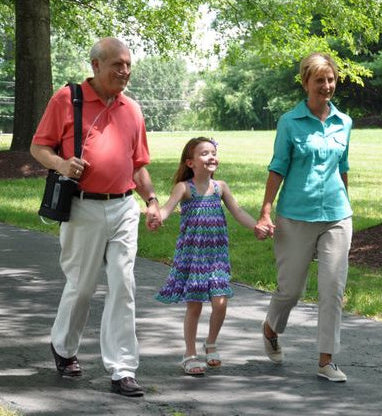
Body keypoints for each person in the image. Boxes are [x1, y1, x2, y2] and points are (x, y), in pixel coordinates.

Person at [30, 37, 162, 397]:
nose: (125, 71)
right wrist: (61, 163)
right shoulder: (67, 99)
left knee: (124, 284)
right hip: (82, 206)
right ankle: (64, 346)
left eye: (128, 64)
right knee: (82, 286)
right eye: (117, 64)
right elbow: (38, 146)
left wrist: (150, 200)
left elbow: (138, 166)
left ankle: (122, 369)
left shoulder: (132, 109)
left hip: (123, 207)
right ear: (96, 66)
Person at [254, 52, 353, 382]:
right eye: (319, 80)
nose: (326, 86)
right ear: (305, 83)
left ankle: (327, 360)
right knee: (291, 290)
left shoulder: (344, 122)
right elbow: (277, 166)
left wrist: (346, 202)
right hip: (295, 216)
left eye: (331, 79)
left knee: (332, 289)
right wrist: (266, 210)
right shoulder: (289, 122)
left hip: (337, 217)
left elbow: (343, 169)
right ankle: (271, 328)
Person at [153, 137, 259, 376]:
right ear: (190, 162)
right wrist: (156, 216)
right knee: (195, 306)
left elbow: (238, 211)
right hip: (194, 257)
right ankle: (189, 354)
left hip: (216, 256)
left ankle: (211, 342)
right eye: (204, 153)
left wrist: (256, 227)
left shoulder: (220, 187)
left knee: (221, 303)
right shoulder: (185, 188)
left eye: (213, 152)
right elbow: (167, 209)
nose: (211, 156)